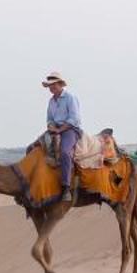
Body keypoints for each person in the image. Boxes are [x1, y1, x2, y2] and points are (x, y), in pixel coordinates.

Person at [43, 71, 83, 203]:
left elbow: (75, 119)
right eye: (49, 85)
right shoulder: (51, 101)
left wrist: (60, 129)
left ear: (60, 84)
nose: (51, 88)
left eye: (53, 85)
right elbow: (49, 118)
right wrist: (51, 126)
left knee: (65, 152)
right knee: (33, 148)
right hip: (56, 129)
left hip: (70, 129)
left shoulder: (70, 98)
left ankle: (66, 188)